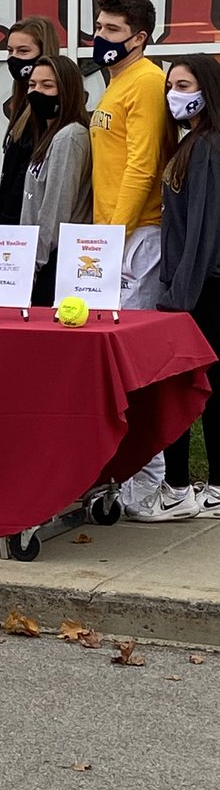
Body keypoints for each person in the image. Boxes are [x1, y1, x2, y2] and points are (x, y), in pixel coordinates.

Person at [128, 55, 220, 521]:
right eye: (169, 86)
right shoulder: (193, 142)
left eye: (183, 85)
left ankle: (180, 487)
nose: (172, 95)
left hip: (201, 289)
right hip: (198, 285)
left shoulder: (207, 147)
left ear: (207, 89)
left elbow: (202, 229)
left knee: (184, 387)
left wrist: (178, 299)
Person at [88, 0, 170, 512]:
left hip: (138, 235)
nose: (100, 37)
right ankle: (122, 473)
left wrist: (115, 234)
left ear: (138, 37)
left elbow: (143, 165)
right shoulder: (116, 82)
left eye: (112, 29)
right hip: (111, 236)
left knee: (134, 363)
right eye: (98, 26)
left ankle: (149, 484)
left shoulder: (146, 82)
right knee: (111, 364)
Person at [19, 56, 92, 306]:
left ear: (67, 90)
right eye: (32, 85)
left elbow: (56, 208)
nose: (36, 92)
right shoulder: (49, 135)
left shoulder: (69, 136)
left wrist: (32, 266)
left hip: (54, 262)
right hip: (38, 258)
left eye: (47, 85)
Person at [0, 16, 61, 224]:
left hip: (23, 223)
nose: (14, 58)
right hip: (10, 221)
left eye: (23, 51)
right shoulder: (21, 104)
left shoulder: (47, 107)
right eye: (10, 51)